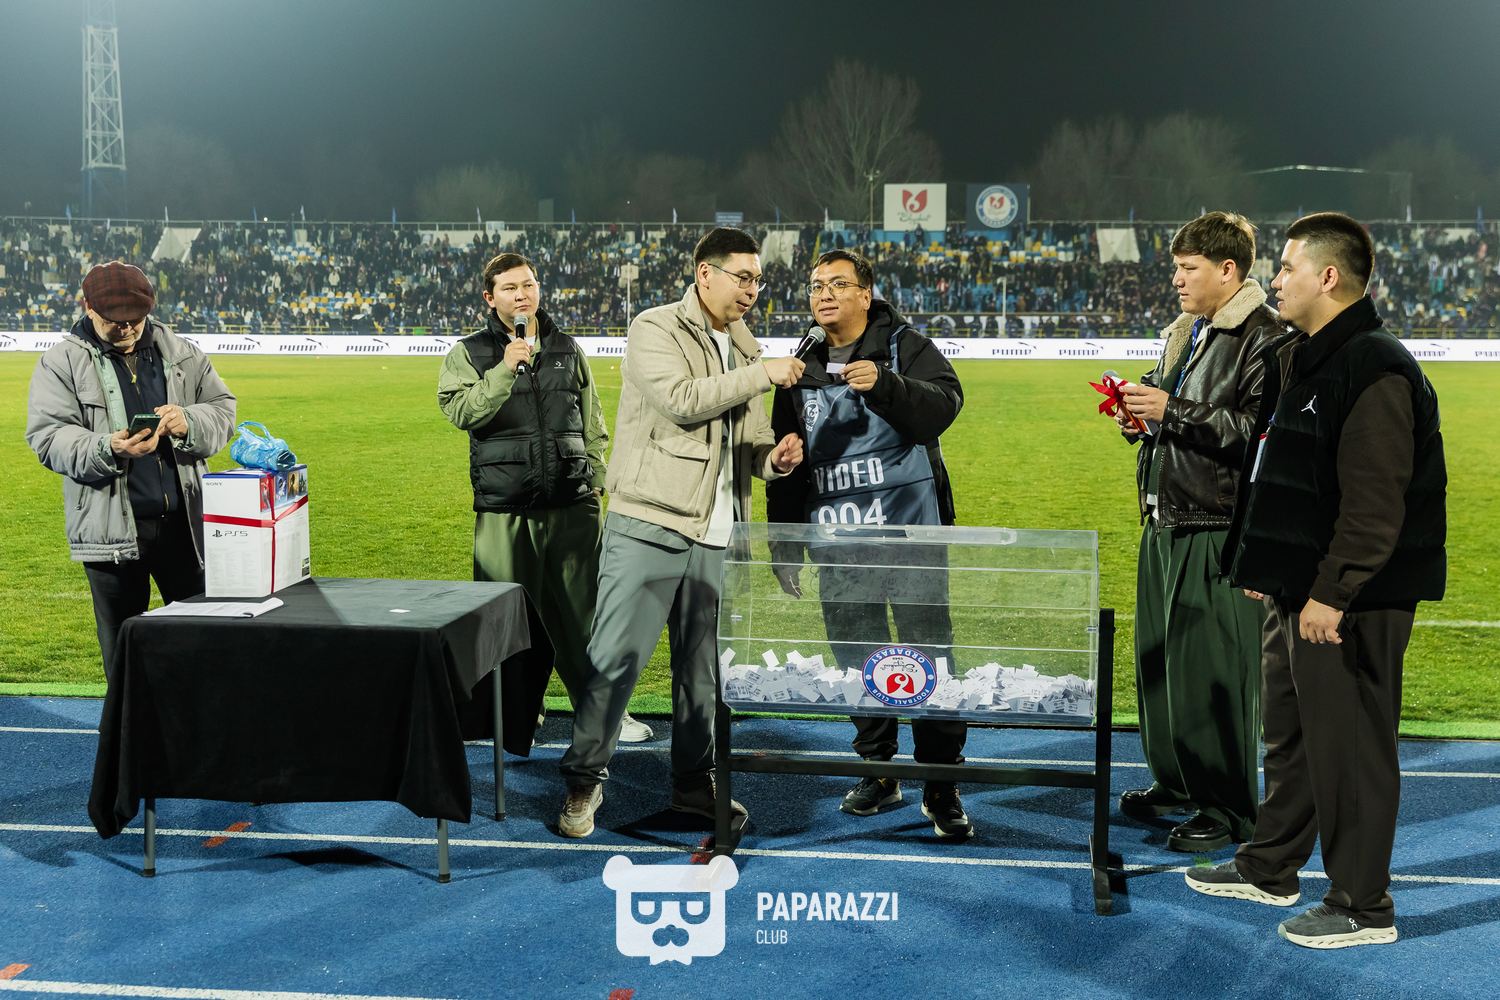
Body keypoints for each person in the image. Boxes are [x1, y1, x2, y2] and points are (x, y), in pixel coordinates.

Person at [1186, 212, 1447, 949]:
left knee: (1351, 747)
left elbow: (1374, 502)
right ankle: (1272, 864)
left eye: (1287, 267)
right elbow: (1286, 475)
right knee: (1293, 735)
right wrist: (1267, 568)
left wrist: (1333, 591)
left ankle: (1362, 904)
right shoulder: (1309, 357)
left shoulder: (1374, 366)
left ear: (1328, 277)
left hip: (1350, 601)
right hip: (1300, 590)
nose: (1275, 280)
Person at [556, 227, 805, 838]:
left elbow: (750, 440)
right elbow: (682, 399)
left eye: (758, 280)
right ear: (704, 273)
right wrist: (761, 374)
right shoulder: (655, 327)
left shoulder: (744, 346)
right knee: (615, 661)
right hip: (650, 522)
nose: (752, 289)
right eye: (742, 277)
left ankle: (694, 785)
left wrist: (774, 461)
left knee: (703, 676)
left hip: (718, 535)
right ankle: (584, 779)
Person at [765, 249, 971, 839]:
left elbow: (944, 408)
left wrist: (886, 385)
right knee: (856, 651)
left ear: (865, 294)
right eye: (815, 286)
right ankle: (879, 769)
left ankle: (940, 780)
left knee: (929, 652)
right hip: (839, 538)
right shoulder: (801, 362)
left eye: (837, 284)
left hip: (909, 534)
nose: (824, 294)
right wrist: (785, 544)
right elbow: (788, 458)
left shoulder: (904, 345)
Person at [1114, 213, 1289, 852]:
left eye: (1188, 269)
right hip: (1165, 517)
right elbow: (1177, 418)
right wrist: (1142, 418)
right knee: (1161, 664)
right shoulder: (1187, 332)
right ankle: (1177, 782)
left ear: (1228, 270)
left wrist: (1173, 411)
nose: (1177, 280)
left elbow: (1259, 436)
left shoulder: (1264, 338)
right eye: (1176, 268)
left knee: (1213, 670)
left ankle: (1228, 808)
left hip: (1215, 526)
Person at [437, 252, 651, 743]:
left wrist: (596, 478)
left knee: (587, 619)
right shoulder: (468, 353)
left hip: (573, 506)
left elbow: (592, 419)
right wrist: (503, 370)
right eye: (510, 288)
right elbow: (462, 412)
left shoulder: (567, 348)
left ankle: (603, 713)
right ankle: (517, 716)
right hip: (505, 510)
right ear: (490, 297)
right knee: (505, 623)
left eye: (529, 284)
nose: (522, 295)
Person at [25, 261, 236, 679]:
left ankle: (195, 721)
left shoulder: (182, 352)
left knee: (204, 647)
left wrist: (188, 421)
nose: (126, 328)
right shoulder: (61, 363)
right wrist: (109, 447)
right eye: (114, 320)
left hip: (186, 528)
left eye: (135, 319)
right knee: (124, 658)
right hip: (112, 534)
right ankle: (128, 725)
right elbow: (48, 438)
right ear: (87, 307)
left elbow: (223, 410)